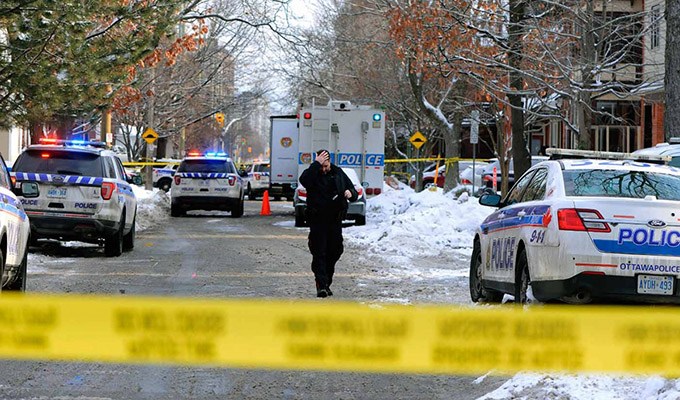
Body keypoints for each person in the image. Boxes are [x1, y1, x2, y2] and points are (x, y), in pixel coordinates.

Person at [299, 149, 358, 298]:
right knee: (319, 252)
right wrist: (316, 164)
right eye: (321, 166)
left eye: (326, 166)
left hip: (335, 220)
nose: (324, 169)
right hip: (318, 220)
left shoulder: (338, 173)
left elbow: (353, 191)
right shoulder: (313, 174)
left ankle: (327, 281)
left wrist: (350, 193)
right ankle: (321, 285)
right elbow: (304, 181)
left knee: (335, 250)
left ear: (330, 162)